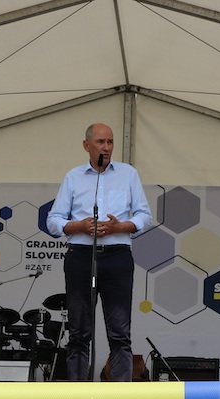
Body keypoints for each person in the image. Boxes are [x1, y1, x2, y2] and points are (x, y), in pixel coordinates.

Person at [46, 123, 153, 382]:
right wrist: (78, 226)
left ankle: (119, 396)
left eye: (110, 142)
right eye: (100, 142)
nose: (106, 147)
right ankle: (78, 394)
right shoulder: (73, 177)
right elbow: (53, 221)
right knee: (79, 332)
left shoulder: (128, 174)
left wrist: (121, 226)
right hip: (81, 256)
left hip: (117, 256)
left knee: (120, 333)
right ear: (87, 145)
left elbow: (145, 216)